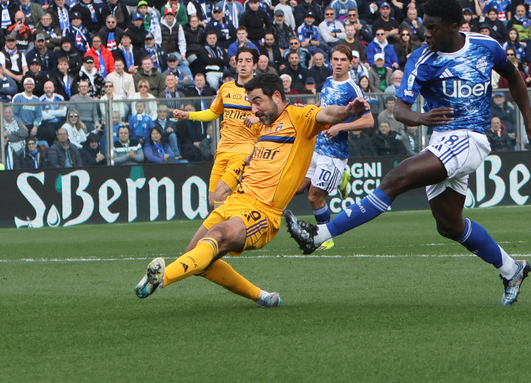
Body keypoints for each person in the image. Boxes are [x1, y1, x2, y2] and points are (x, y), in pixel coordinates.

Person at [284, 0, 531, 306]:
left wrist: (530, 126)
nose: (426, 33)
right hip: (442, 141)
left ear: (453, 26)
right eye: (425, 27)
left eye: (433, 28)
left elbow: (514, 77)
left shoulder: (485, 46)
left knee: (396, 178)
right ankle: (511, 268)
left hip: (470, 137)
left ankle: (318, 236)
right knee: (449, 225)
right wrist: (420, 118)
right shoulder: (421, 59)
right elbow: (401, 110)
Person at [134, 71, 369, 307]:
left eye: (257, 102)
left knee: (217, 237)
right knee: (195, 259)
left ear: (276, 96)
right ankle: (262, 297)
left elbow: (327, 113)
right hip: (237, 201)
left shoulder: (298, 117)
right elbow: (251, 162)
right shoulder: (264, 127)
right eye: (250, 103)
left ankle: (161, 279)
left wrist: (348, 111)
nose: (253, 110)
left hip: (262, 211)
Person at [298, 44, 374, 235]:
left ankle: (324, 237)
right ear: (330, 61)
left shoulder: (353, 90)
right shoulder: (328, 81)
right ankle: (340, 179)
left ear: (351, 63)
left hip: (333, 154)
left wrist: (340, 126)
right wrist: (308, 113)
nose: (338, 63)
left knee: (314, 198)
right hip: (315, 146)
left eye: (343, 60)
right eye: (336, 59)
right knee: (298, 188)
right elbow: (322, 106)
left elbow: (369, 121)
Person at [170, 47, 258, 208]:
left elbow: (275, 116)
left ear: (255, 65)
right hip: (223, 150)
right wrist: (188, 115)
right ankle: (238, 229)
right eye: (240, 61)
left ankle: (233, 231)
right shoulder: (226, 89)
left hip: (244, 152)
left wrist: (258, 118)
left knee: (221, 195)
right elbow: (213, 113)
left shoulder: (260, 90)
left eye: (248, 61)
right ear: (235, 65)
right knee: (213, 202)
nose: (243, 64)